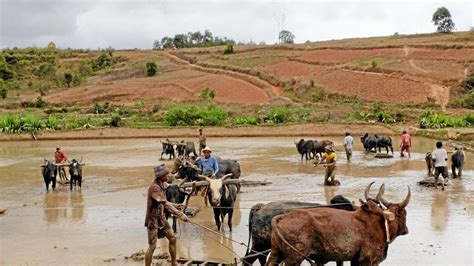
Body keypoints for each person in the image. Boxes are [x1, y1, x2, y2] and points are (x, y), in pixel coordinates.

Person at [145, 164, 188, 266]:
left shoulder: (162, 186)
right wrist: (179, 214)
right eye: (166, 175)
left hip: (162, 218)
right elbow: (165, 203)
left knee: (172, 238)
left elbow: (165, 202)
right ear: (161, 176)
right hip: (153, 221)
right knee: (152, 246)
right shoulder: (154, 188)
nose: (168, 177)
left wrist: (176, 205)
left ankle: (174, 262)